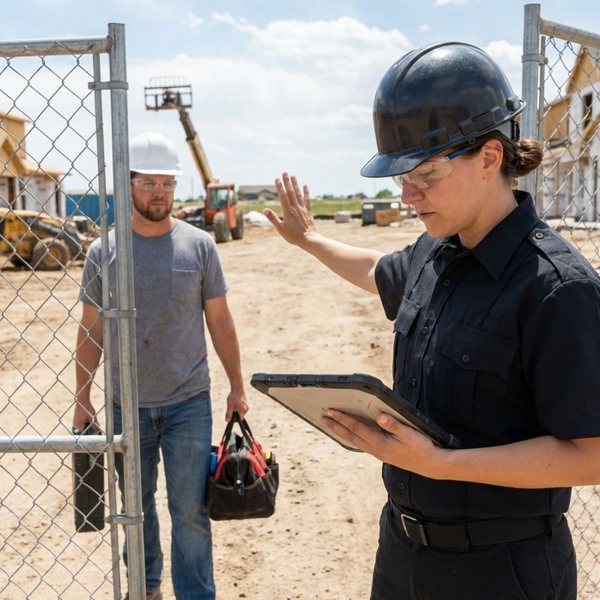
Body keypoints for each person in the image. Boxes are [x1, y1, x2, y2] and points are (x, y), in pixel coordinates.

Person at [264, 42, 600, 599]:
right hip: (402, 553)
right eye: (401, 181)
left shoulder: (556, 288)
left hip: (501, 570)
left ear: (490, 157)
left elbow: (591, 454)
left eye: (423, 176)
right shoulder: (436, 249)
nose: (408, 196)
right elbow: (377, 271)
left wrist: (442, 464)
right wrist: (311, 240)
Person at [73, 131, 248, 600]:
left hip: (188, 402)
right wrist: (82, 397)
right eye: (148, 182)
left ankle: (195, 594)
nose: (159, 193)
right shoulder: (103, 252)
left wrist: (237, 385)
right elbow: (90, 331)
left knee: (190, 509)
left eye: (167, 183)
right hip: (123, 404)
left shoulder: (200, 246)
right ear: (129, 185)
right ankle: (145, 588)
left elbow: (220, 319)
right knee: (137, 507)